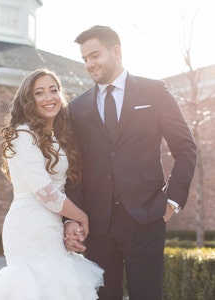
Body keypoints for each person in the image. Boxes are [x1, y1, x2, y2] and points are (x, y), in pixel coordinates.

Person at [64, 25, 197, 300]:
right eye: (85, 59)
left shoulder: (154, 92)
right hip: (97, 223)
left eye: (94, 55)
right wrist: (72, 218)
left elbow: (185, 148)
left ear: (116, 51)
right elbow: (74, 167)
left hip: (146, 218)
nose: (89, 64)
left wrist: (172, 200)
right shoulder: (77, 108)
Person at [0, 69, 103, 300]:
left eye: (53, 90)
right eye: (39, 93)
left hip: (51, 226)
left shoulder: (54, 135)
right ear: (29, 100)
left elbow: (61, 189)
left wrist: (68, 221)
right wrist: (82, 217)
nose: (49, 97)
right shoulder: (22, 134)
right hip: (29, 228)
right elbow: (46, 192)